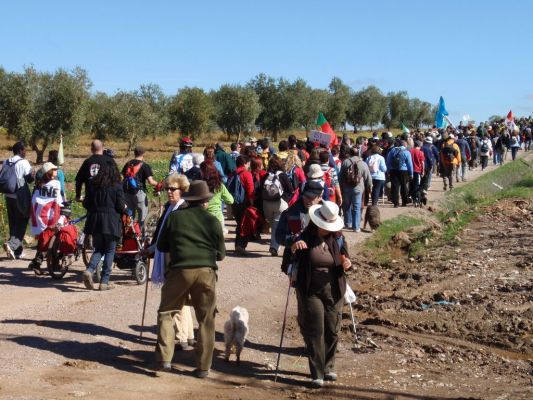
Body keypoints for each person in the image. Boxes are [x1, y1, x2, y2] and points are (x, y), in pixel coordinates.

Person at [154, 181, 225, 379]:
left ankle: (165, 359)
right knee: (205, 319)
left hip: (179, 270)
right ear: (205, 201)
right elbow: (221, 255)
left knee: (167, 312)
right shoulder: (212, 220)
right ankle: (203, 367)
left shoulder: (175, 217)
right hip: (206, 272)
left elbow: (161, 245)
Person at [290, 201, 351, 388]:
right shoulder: (304, 238)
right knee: (315, 330)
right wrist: (294, 248)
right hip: (310, 289)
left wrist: (347, 263)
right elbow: (288, 261)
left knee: (332, 330)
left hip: (334, 289)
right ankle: (317, 373)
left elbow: (345, 259)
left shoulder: (338, 238)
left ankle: (328, 367)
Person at [142, 174, 195, 351]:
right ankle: (187, 336)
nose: (169, 192)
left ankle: (181, 337)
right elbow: (161, 235)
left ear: (182, 190)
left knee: (175, 298)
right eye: (167, 189)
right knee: (181, 298)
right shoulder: (171, 208)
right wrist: (150, 249)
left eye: (173, 189)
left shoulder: (182, 209)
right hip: (169, 257)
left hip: (176, 260)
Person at [81, 162, 126, 291]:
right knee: (110, 250)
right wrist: (125, 209)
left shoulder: (93, 185)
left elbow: (86, 203)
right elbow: (120, 206)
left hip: (95, 221)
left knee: (98, 248)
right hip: (111, 221)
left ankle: (89, 270)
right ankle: (104, 282)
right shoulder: (117, 186)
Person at [28, 162, 63, 274]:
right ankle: (49, 263)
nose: (56, 170)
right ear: (49, 172)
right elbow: (58, 200)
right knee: (53, 236)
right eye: (54, 169)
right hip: (49, 213)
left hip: (38, 213)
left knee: (45, 237)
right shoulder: (56, 183)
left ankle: (37, 262)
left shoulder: (39, 183)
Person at [2, 142, 34, 259]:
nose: (26, 152)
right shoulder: (23, 162)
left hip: (8, 196)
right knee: (22, 220)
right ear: (20, 150)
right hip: (20, 196)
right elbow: (29, 180)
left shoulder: (7, 161)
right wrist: (33, 174)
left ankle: (17, 251)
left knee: (13, 223)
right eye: (25, 150)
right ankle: (11, 244)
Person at [261, 156, 293, 256]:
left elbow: (260, 189)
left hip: (266, 203)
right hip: (280, 203)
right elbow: (290, 189)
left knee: (273, 225)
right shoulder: (283, 175)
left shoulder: (267, 175)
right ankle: (274, 247)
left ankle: (275, 245)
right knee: (276, 226)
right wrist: (285, 199)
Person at [121, 146, 158, 228]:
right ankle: (141, 236)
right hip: (139, 193)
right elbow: (151, 181)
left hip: (127, 193)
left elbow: (122, 178)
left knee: (130, 216)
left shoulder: (128, 163)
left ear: (134, 153)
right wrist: (159, 184)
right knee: (142, 218)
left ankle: (129, 237)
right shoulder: (144, 165)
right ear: (143, 154)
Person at [339, 147, 372, 231]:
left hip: (346, 188)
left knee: (346, 206)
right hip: (358, 188)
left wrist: (340, 187)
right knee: (357, 207)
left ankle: (347, 223)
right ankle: (356, 227)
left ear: (349, 153)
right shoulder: (363, 163)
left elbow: (341, 176)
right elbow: (368, 177)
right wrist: (369, 187)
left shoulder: (345, 162)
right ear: (359, 154)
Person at [231, 155, 255, 254]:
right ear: (245, 163)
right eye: (248, 163)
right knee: (245, 224)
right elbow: (250, 190)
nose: (249, 165)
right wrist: (252, 203)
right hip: (244, 202)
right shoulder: (246, 174)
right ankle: (241, 246)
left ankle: (237, 245)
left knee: (239, 223)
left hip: (234, 202)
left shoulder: (232, 173)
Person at [200, 160, 234, 229]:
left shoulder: (200, 185)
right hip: (217, 218)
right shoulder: (219, 186)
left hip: (203, 218)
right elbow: (230, 200)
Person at [386, 140, 413, 207]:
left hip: (393, 171)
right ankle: (404, 202)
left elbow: (388, 161)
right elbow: (409, 164)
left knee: (395, 187)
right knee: (404, 186)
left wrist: (388, 171)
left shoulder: (392, 151)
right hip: (404, 171)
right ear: (405, 145)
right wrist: (411, 173)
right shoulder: (407, 152)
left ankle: (396, 203)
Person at [409, 141, 425, 206]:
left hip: (410, 171)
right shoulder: (421, 152)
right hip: (417, 171)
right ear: (420, 146)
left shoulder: (410, 151)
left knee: (411, 185)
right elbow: (422, 163)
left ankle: (412, 198)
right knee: (417, 186)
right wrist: (423, 171)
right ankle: (417, 199)